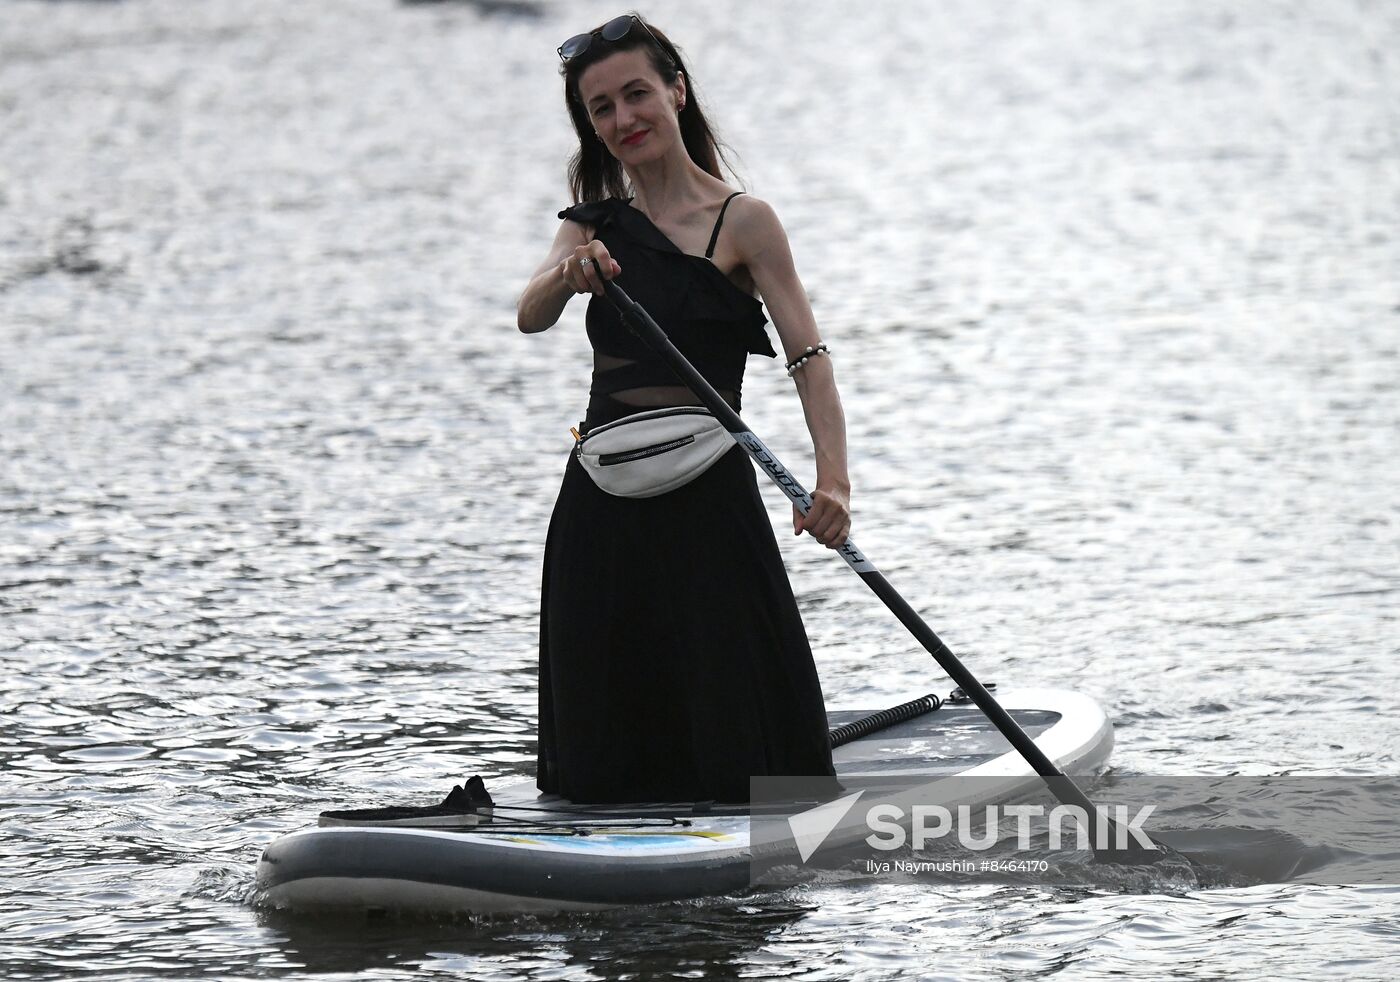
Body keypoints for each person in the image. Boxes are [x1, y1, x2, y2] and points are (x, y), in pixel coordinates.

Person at [516, 13, 851, 804]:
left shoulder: (745, 222)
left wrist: (832, 482)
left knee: (735, 710)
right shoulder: (591, 224)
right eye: (601, 108)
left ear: (676, 90)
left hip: (708, 498)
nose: (623, 119)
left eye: (636, 94)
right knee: (603, 729)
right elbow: (530, 314)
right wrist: (569, 274)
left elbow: (807, 357)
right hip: (600, 503)